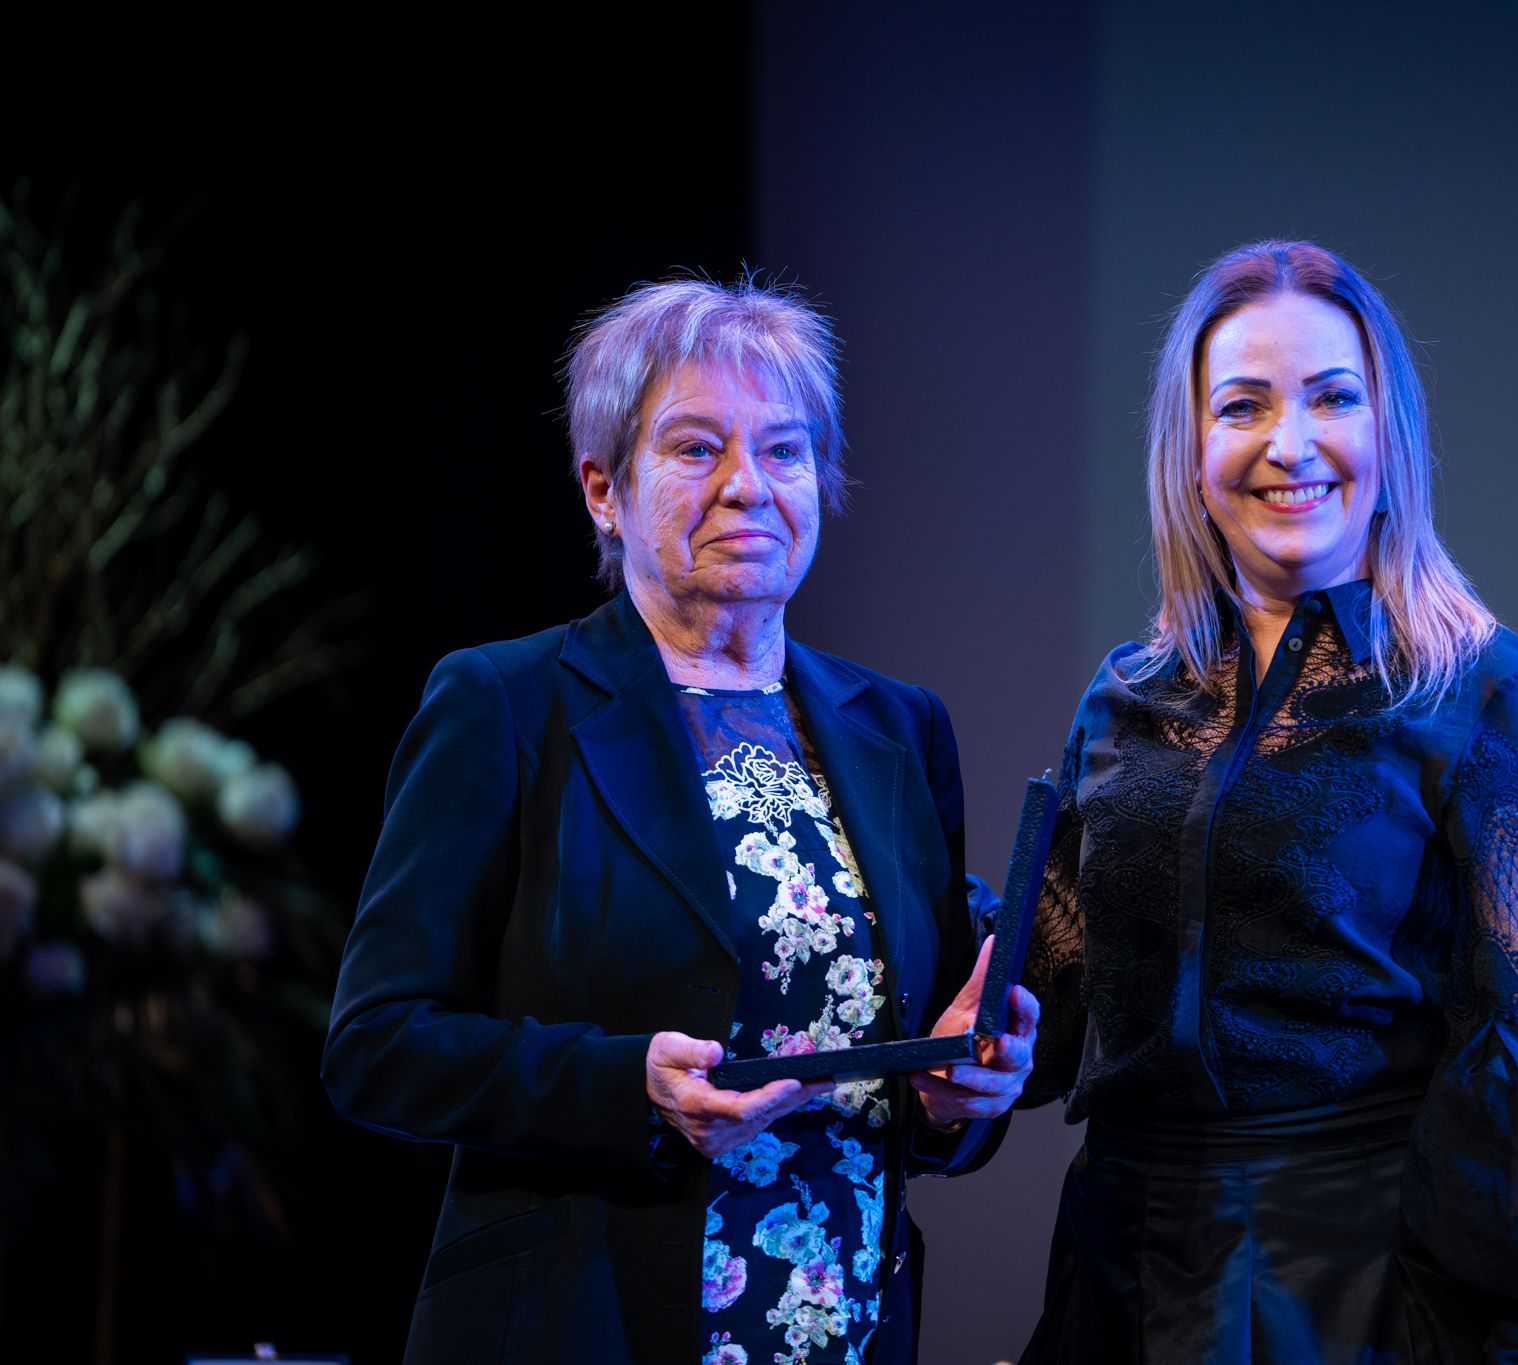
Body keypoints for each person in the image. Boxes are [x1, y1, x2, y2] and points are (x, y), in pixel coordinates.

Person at [1018, 240, 1518, 1364]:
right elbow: (1050, 992)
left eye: (1332, 398)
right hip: (1122, 1271)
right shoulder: (1125, 696)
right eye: (1242, 406)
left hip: (1362, 1286)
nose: (1289, 444)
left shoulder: (1485, 694)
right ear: (1189, 453)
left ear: (1387, 436)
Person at [322, 276, 1036, 1365]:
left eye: (785, 450)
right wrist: (626, 1088)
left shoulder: (898, 728)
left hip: (840, 1318)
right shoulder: (505, 704)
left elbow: (921, 1069)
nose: (747, 485)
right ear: (603, 489)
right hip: (583, 1319)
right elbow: (375, 1045)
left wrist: (959, 1096)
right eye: (697, 449)